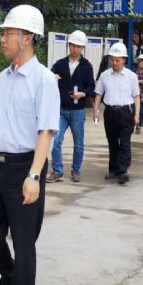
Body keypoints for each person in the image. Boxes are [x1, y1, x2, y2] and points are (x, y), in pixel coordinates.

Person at [0, 4, 59, 285]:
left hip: (25, 168)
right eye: (3, 32)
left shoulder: (43, 80)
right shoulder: (3, 77)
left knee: (24, 243)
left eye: (8, 33)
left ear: (27, 38)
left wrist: (34, 176)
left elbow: (46, 132)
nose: (2, 38)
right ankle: (9, 274)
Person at [48, 30, 96, 183]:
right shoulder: (60, 64)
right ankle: (57, 171)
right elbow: (48, 75)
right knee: (55, 141)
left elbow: (91, 87)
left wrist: (82, 94)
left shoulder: (86, 66)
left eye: (78, 46)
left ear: (82, 48)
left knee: (78, 144)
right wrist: (52, 76)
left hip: (78, 111)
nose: (75, 49)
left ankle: (76, 171)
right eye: (73, 45)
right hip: (61, 110)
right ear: (69, 45)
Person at [93, 42, 140, 184]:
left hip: (126, 112)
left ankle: (123, 171)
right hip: (110, 112)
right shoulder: (104, 75)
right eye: (112, 60)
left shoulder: (131, 76)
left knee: (125, 142)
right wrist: (96, 110)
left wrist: (137, 114)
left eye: (117, 60)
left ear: (124, 60)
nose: (114, 63)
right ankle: (113, 169)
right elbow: (98, 94)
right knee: (112, 142)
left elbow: (136, 96)